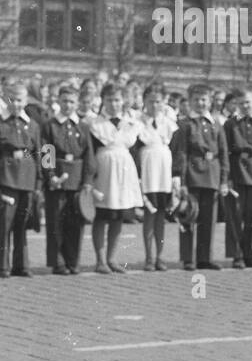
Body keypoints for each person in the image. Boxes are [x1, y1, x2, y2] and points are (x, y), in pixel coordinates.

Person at [87, 83, 145, 274]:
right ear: (103, 101)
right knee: (102, 215)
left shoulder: (130, 124)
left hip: (124, 171)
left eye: (118, 99)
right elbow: (91, 151)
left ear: (124, 101)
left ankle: (112, 258)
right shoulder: (95, 124)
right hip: (104, 171)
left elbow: (135, 151)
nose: (114, 104)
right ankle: (100, 259)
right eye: (110, 100)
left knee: (118, 216)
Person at [171, 82, 227, 271]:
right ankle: (188, 258)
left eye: (204, 99)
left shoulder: (216, 125)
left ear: (210, 101)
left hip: (212, 175)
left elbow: (223, 154)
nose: (200, 103)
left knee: (208, 219)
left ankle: (205, 257)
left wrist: (224, 179)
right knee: (188, 216)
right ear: (190, 102)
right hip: (192, 175)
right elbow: (182, 153)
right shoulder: (185, 125)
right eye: (196, 100)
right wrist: (182, 179)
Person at [41, 80, 92, 275]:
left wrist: (87, 181)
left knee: (75, 222)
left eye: (71, 101)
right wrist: (51, 176)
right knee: (56, 221)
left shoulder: (83, 126)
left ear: (77, 103)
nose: (68, 105)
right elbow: (46, 152)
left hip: (77, 180)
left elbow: (89, 156)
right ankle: (58, 261)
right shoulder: (50, 125)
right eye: (64, 101)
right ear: (58, 101)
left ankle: (73, 260)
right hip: (57, 179)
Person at [0, 82, 41, 278]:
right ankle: (3, 266)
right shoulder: (2, 122)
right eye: (12, 100)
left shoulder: (33, 125)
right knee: (4, 224)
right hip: (6, 179)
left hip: (27, 179)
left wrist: (42, 179)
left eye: (20, 100)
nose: (16, 104)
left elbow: (39, 152)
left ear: (26, 101)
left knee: (22, 223)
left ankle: (22, 264)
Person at [223, 88, 252, 269]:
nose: (245, 106)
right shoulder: (230, 125)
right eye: (241, 103)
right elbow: (225, 152)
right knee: (235, 215)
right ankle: (237, 255)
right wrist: (227, 177)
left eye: (248, 102)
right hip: (237, 171)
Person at [134, 82, 175, 271]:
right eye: (150, 101)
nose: (154, 105)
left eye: (158, 102)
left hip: (164, 173)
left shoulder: (168, 124)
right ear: (144, 102)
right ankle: (149, 256)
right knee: (150, 214)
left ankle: (160, 256)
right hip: (148, 171)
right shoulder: (138, 122)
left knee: (161, 215)